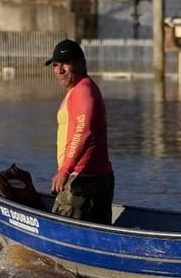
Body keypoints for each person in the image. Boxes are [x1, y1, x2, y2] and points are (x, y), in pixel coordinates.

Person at [45, 38, 114, 224]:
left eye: (66, 64)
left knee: (60, 235)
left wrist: (65, 171)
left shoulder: (83, 91)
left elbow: (83, 132)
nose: (59, 70)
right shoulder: (81, 89)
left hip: (82, 181)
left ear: (82, 63)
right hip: (97, 178)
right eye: (55, 65)